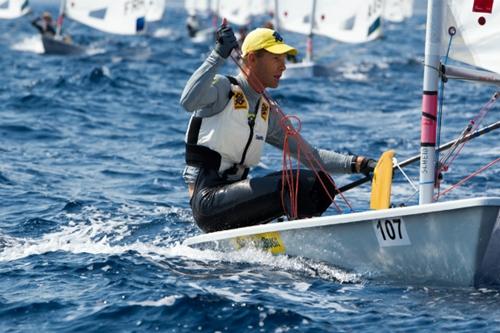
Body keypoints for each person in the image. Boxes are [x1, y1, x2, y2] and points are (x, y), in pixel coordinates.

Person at [180, 26, 376, 233]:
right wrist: (218, 54)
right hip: (208, 203)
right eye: (276, 59)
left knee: (322, 185)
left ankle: (298, 238)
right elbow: (188, 101)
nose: (283, 67)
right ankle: (299, 237)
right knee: (298, 183)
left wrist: (359, 164)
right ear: (253, 59)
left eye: (284, 60)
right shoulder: (223, 90)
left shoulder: (268, 112)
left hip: (235, 204)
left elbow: (311, 156)